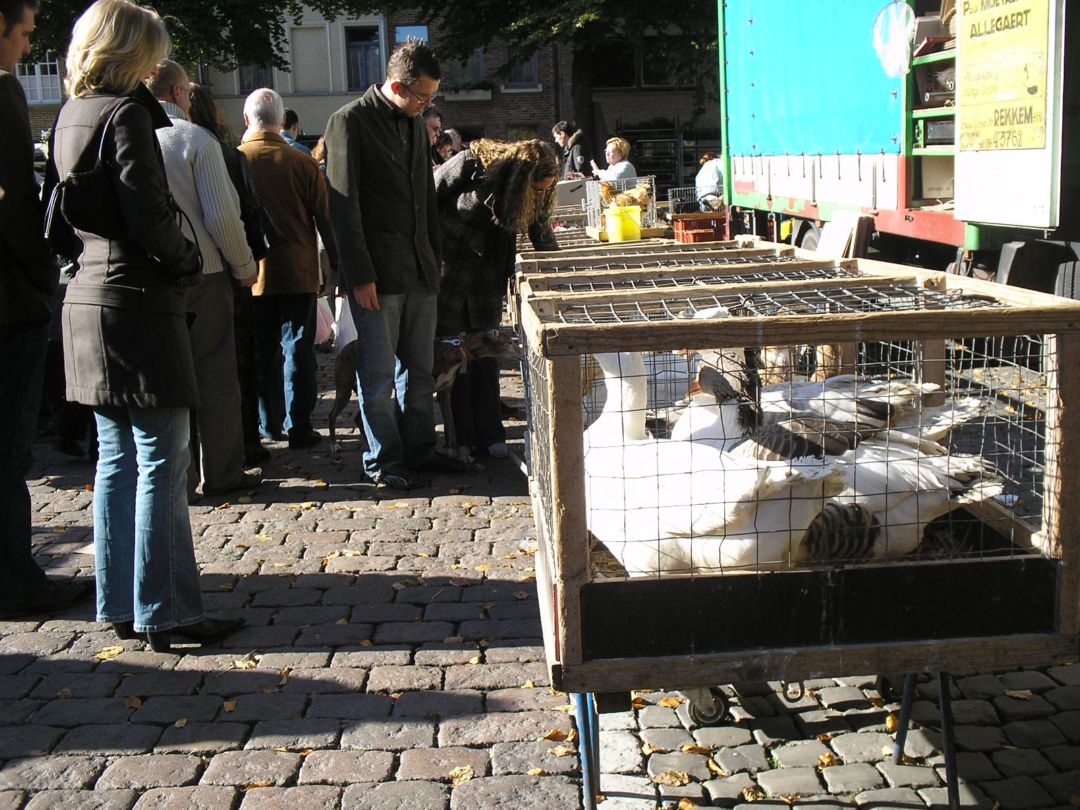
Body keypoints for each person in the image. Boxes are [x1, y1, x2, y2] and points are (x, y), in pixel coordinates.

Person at [46, 0, 241, 650]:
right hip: (136, 304)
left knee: (115, 461)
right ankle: (166, 609)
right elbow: (148, 213)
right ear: (131, 51)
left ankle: (121, 602)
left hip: (89, 302)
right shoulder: (127, 112)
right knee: (162, 456)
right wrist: (188, 258)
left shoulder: (72, 113)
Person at [325, 37, 467, 490]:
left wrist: (434, 259)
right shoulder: (348, 122)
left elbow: (424, 196)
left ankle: (419, 450)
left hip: (419, 269)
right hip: (378, 275)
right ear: (396, 85)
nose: (428, 105)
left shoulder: (412, 123)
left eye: (431, 97)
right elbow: (343, 208)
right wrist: (358, 276)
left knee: (419, 370)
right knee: (379, 374)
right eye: (423, 96)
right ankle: (384, 461)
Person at [0, 0, 93, 618]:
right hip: (9, 302)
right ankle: (15, 581)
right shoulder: (4, 94)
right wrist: (40, 273)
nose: (29, 46)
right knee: (8, 453)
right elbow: (14, 203)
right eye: (26, 32)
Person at [146, 60, 262, 499]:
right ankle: (220, 471)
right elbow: (221, 215)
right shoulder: (195, 140)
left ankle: (175, 476)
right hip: (205, 272)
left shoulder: (132, 140)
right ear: (179, 93)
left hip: (151, 278)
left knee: (168, 382)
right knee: (214, 376)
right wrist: (244, 265)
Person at [434, 139, 559, 460]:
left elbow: (542, 233)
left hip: (489, 271)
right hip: (452, 264)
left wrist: (557, 277)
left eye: (547, 190)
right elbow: (427, 194)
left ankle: (490, 432)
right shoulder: (471, 163)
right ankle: (459, 436)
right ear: (521, 177)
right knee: (455, 352)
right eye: (538, 189)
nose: (542, 195)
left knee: (487, 352)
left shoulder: (538, 194)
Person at [239, 87, 338, 449]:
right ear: (282, 121)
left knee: (262, 352)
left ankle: (268, 424)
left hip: (252, 275)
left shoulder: (237, 159)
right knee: (299, 352)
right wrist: (337, 267)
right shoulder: (301, 162)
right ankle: (299, 425)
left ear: (247, 120)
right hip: (298, 270)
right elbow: (326, 219)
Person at [187, 81, 274, 466]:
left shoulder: (168, 145)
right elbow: (245, 214)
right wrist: (249, 263)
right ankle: (243, 442)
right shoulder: (223, 153)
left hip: (191, 269)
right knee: (238, 362)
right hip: (228, 270)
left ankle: (210, 450)